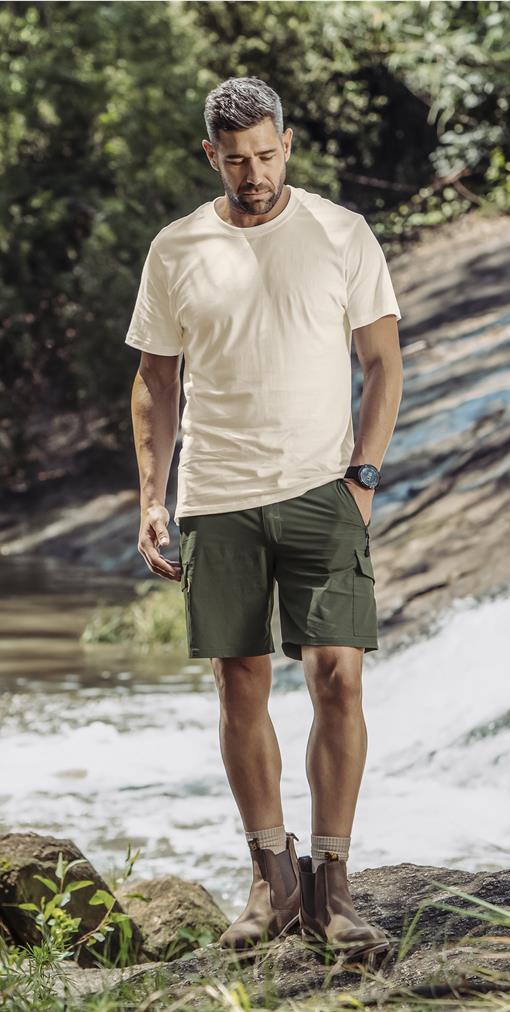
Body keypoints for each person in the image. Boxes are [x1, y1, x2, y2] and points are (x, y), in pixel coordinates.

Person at [125, 76, 403, 966]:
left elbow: (383, 361)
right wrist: (152, 498)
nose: (254, 174)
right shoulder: (177, 248)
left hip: (323, 490)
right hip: (215, 497)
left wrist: (363, 478)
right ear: (212, 155)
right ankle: (271, 882)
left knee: (338, 679)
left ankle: (334, 886)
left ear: (288, 144)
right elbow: (155, 379)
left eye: (266, 154)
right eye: (236, 160)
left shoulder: (340, 232)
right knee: (239, 687)